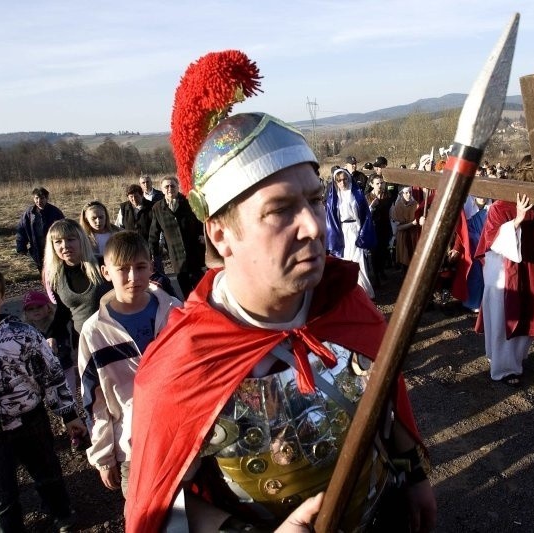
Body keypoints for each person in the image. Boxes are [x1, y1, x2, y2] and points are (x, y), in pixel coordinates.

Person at [126, 50, 435, 533]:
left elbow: (385, 394)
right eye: (280, 209)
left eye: (315, 198)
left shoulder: (343, 299)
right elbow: (162, 508)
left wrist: (413, 474)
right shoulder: (180, 368)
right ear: (220, 235)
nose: (314, 225)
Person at [0, 265, 85, 532]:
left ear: (2, 298)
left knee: (48, 475)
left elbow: (51, 375)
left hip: (30, 421)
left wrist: (69, 415)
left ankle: (61, 511)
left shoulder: (23, 335)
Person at [78, 231, 181, 498]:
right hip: (133, 445)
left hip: (183, 435)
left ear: (152, 267)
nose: (133, 277)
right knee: (141, 514)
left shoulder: (175, 313)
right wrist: (103, 455)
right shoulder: (95, 331)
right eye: (123, 269)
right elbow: (95, 400)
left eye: (140, 267)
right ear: (105, 272)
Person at [474, 157, 534, 386]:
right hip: (503, 273)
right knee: (503, 320)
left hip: (532, 270)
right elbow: (492, 241)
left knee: (529, 314)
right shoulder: (501, 206)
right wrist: (517, 221)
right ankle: (503, 368)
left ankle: (514, 358)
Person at [21, 290, 83, 449]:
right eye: (31, 309)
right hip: (39, 375)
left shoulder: (58, 325)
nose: (36, 311)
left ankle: (73, 429)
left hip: (63, 369)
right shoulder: (25, 330)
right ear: (26, 312)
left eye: (39, 307)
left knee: (68, 398)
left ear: (48, 307)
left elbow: (68, 347)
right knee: (41, 402)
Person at [44, 219, 113, 337]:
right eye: (58, 241)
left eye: (70, 239)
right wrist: (51, 336)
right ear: (52, 246)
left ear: (81, 240)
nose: (65, 246)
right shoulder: (54, 276)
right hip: (84, 339)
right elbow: (63, 311)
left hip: (114, 334)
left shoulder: (103, 263)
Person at [148, 176, 206, 298]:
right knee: (186, 293)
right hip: (176, 256)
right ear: (162, 190)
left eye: (172, 186)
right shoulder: (157, 208)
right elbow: (154, 233)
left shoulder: (189, 201)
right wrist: (152, 255)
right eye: (166, 187)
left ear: (178, 187)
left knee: (201, 288)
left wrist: (203, 234)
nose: (170, 189)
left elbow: (201, 219)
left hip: (194, 251)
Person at [325, 168, 375, 297]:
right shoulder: (333, 198)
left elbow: (365, 215)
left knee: (358, 260)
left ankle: (362, 292)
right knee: (345, 259)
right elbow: (330, 219)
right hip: (342, 231)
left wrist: (362, 233)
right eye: (339, 180)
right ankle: (349, 292)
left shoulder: (357, 195)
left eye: (344, 179)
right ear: (335, 182)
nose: (342, 183)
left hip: (355, 229)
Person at [15, 187, 65, 273]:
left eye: (42, 198)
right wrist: (21, 246)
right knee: (42, 271)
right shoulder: (29, 213)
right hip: (37, 248)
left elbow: (64, 229)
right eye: (36, 198)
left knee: (56, 270)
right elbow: (22, 230)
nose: (39, 201)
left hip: (53, 247)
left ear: (46, 198)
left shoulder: (55, 212)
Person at [365, 174, 394, 287]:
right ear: (372, 184)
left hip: (385, 226)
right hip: (373, 228)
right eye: (377, 183)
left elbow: (391, 210)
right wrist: (372, 206)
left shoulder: (387, 195)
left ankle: (381, 271)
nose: (380, 185)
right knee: (375, 252)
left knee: (383, 250)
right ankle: (376, 275)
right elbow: (365, 214)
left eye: (382, 183)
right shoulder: (367, 197)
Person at [391, 186, 421, 270]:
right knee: (405, 258)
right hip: (403, 235)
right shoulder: (398, 206)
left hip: (413, 234)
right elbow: (399, 227)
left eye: (410, 192)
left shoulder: (415, 204)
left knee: (413, 257)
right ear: (401, 194)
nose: (408, 194)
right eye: (406, 193)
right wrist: (413, 223)